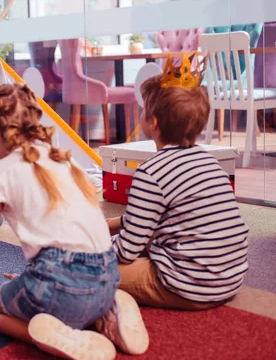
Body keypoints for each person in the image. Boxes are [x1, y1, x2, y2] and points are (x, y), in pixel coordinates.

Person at [0, 83, 149, 360]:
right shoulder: (63, 161)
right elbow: (75, 230)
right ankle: (106, 316)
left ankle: (61, 336)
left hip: (61, 285)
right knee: (51, 291)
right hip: (107, 276)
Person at [107, 55, 249, 310]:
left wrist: (88, 250)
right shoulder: (208, 162)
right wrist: (111, 225)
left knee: (93, 267)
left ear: (153, 123)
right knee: (145, 238)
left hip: (189, 286)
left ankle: (102, 314)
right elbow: (152, 221)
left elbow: (127, 250)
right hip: (230, 278)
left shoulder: (151, 172)